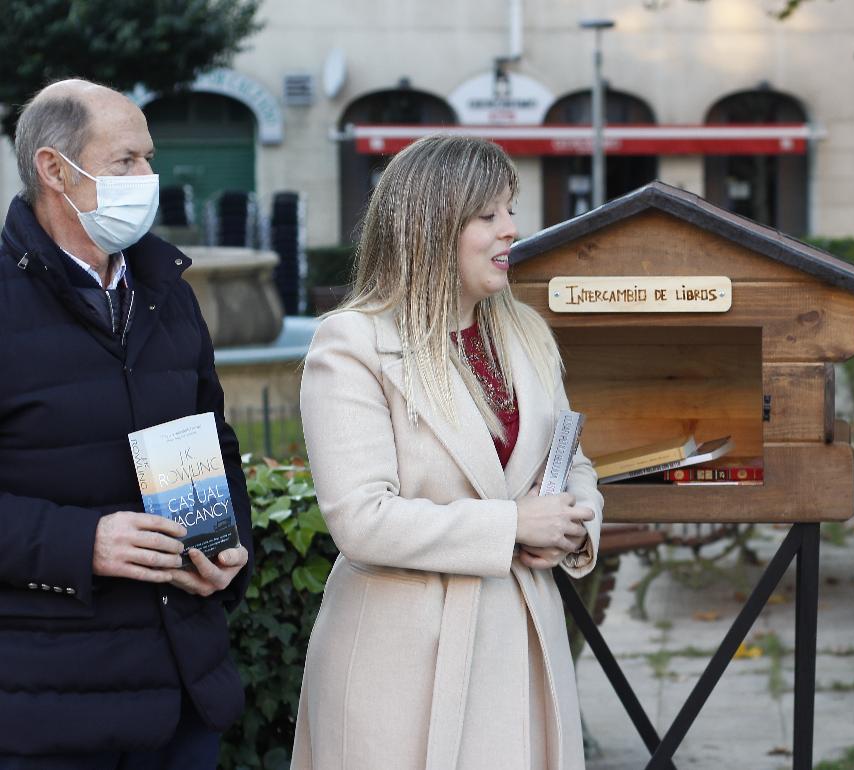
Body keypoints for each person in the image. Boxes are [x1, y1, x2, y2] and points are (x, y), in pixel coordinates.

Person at [292, 134, 602, 769]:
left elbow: (571, 461)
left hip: (522, 640)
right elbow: (360, 519)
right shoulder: (352, 344)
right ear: (429, 226)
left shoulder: (527, 333)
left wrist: (575, 523)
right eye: (488, 215)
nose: (512, 230)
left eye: (511, 210)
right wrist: (514, 525)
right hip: (402, 659)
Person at [0, 79, 252, 766]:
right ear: (55, 169)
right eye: (126, 161)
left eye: (149, 158)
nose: (150, 178)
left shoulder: (166, 294)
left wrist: (230, 551)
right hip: (43, 708)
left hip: (182, 698)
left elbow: (217, 446)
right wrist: (82, 541)